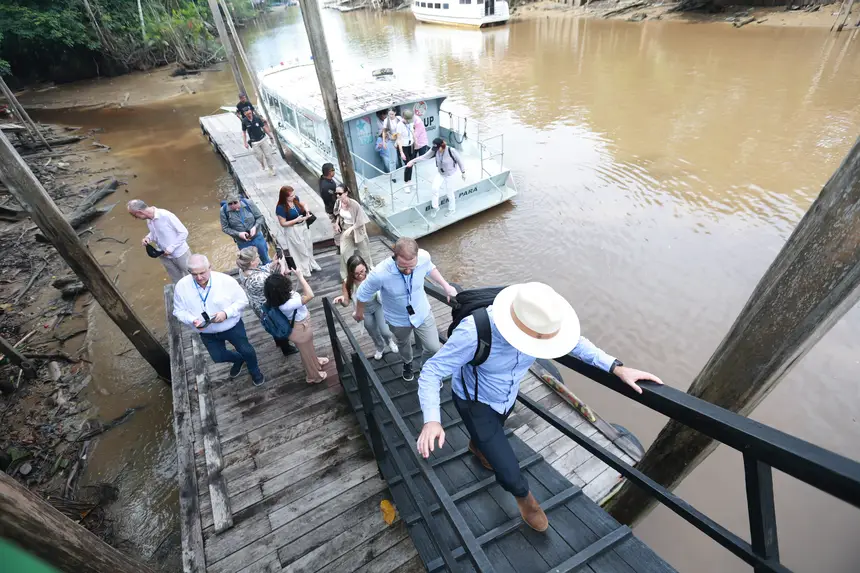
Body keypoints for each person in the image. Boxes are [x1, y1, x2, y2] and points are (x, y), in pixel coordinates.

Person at [415, 282, 663, 532]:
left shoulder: (543, 327)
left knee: (488, 439)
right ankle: (526, 500)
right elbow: (432, 371)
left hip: (507, 396)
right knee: (508, 468)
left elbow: (576, 343)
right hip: (475, 401)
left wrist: (616, 367)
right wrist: (432, 420)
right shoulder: (473, 333)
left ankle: (478, 446)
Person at [355, 237, 457, 382]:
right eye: (403, 267)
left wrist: (446, 286)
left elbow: (430, 268)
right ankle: (407, 363)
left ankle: (425, 368)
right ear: (394, 256)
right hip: (397, 319)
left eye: (412, 267)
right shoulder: (380, 273)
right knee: (403, 344)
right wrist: (359, 312)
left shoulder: (424, 257)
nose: (408, 271)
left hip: (422, 312)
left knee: (434, 348)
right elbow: (362, 293)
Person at [173, 254, 265, 386]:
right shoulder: (181, 286)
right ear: (189, 272)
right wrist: (192, 320)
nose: (199, 278)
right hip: (206, 331)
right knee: (218, 357)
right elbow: (178, 310)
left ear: (210, 267)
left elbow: (242, 301)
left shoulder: (226, 281)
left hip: (232, 327)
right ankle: (238, 360)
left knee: (246, 350)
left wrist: (226, 313)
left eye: (202, 273)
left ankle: (255, 371)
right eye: (194, 274)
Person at [263, 272, 329, 383]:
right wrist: (300, 277)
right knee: (305, 354)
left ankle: (316, 362)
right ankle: (313, 376)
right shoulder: (286, 304)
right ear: (282, 289)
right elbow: (310, 295)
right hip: (299, 328)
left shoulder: (280, 298)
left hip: (302, 325)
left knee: (309, 347)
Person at [236, 247, 298, 356]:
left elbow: (261, 269)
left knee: (271, 323)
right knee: (278, 323)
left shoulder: (242, 270)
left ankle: (278, 341)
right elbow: (278, 283)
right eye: (257, 256)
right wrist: (283, 267)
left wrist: (273, 263)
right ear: (252, 262)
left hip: (257, 304)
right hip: (268, 306)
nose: (259, 257)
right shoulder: (259, 278)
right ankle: (286, 348)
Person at [334, 255, 398, 360]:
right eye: (356, 273)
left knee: (385, 331)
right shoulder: (347, 282)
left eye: (362, 271)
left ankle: (390, 341)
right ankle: (380, 347)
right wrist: (342, 300)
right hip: (363, 310)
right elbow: (346, 303)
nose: (360, 275)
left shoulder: (373, 273)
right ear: (351, 272)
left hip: (377, 304)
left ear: (365, 266)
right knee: (373, 332)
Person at [127, 199, 191, 284]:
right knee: (176, 280)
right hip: (164, 255)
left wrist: (172, 248)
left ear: (140, 212)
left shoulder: (166, 215)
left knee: (192, 276)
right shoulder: (149, 219)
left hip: (180, 253)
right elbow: (155, 232)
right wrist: (148, 238)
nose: (135, 218)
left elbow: (183, 232)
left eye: (134, 215)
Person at [407, 137, 465, 217]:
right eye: (435, 148)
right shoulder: (435, 149)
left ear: (442, 145)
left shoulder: (451, 150)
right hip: (440, 173)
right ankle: (435, 207)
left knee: (449, 193)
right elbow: (424, 157)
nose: (437, 150)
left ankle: (452, 209)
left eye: (438, 148)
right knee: (434, 188)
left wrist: (463, 172)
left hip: (450, 174)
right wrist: (412, 161)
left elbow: (459, 161)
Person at [275, 185, 321, 276]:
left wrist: (307, 211)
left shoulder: (295, 199)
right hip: (292, 229)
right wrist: (296, 220)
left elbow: (304, 204)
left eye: (293, 194)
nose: (293, 197)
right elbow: (283, 223)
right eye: (291, 196)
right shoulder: (280, 207)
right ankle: (304, 269)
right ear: (285, 197)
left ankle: (312, 264)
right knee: (301, 250)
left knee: (308, 247)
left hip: (303, 226)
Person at [333, 185, 373, 281]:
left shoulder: (354, 204)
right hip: (345, 229)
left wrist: (351, 229)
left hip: (357, 229)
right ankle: (346, 274)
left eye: (340, 194)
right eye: (336, 194)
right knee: (344, 252)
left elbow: (361, 220)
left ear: (346, 193)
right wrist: (337, 223)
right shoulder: (338, 202)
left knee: (364, 251)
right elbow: (338, 213)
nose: (337, 196)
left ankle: (368, 269)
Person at [220, 192, 270, 264]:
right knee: (249, 262)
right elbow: (225, 228)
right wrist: (238, 234)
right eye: (230, 204)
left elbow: (260, 217)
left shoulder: (249, 203)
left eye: (235, 202)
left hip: (257, 237)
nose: (233, 205)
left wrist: (255, 227)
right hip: (242, 241)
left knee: (265, 258)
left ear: (239, 200)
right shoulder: (223, 210)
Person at [241, 108, 276, 176]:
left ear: (251, 112)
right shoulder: (244, 121)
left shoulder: (257, 118)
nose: (250, 115)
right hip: (254, 142)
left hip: (262, 139)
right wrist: (245, 143)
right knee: (259, 156)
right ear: (245, 114)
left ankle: (271, 169)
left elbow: (264, 127)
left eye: (250, 113)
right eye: (248, 114)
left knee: (268, 155)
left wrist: (270, 136)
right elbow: (244, 132)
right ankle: (262, 163)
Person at [399, 109, 418, 187]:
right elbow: (399, 139)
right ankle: (406, 182)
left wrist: (416, 142)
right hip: (404, 147)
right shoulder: (400, 125)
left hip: (411, 145)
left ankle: (409, 180)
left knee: (412, 163)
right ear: (404, 117)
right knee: (408, 164)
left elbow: (413, 132)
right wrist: (401, 152)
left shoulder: (410, 123)